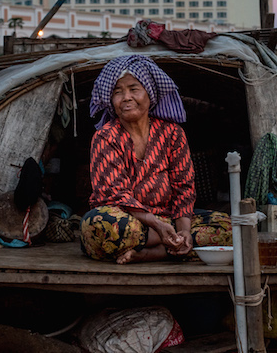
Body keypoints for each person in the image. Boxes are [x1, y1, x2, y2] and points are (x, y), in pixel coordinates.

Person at [80, 54, 231, 264]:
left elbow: (183, 188)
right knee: (98, 224)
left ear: (149, 94)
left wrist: (184, 230)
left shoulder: (173, 134)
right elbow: (114, 195)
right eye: (118, 92)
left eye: (134, 89)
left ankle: (153, 252)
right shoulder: (105, 137)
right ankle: (173, 246)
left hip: (166, 220)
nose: (126, 97)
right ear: (111, 100)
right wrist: (158, 227)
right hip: (131, 222)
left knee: (228, 227)